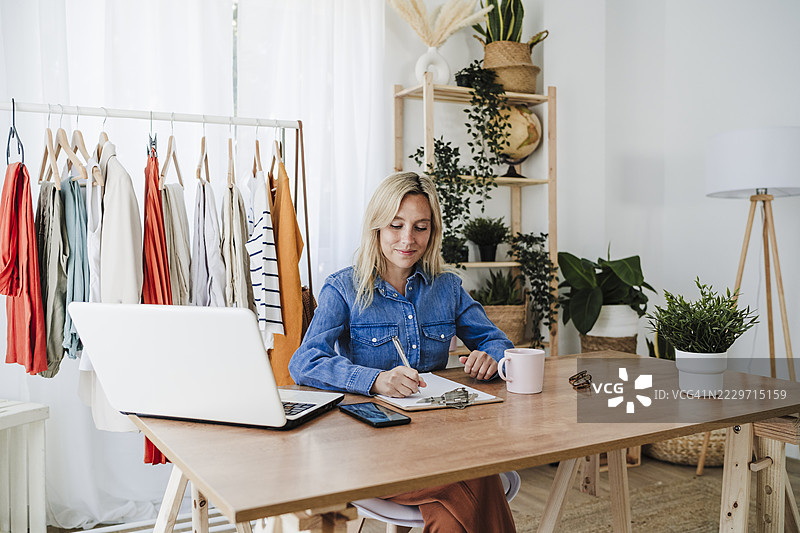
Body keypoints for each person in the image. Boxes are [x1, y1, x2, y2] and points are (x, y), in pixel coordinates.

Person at [289, 172, 516, 532]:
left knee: (451, 512)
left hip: (440, 438)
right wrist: (375, 380)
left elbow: (498, 343)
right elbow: (304, 362)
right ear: (377, 227)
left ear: (432, 231)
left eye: (420, 227)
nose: (408, 239)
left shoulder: (447, 287)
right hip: (371, 445)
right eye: (396, 226)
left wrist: (491, 358)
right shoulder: (343, 288)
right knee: (477, 474)